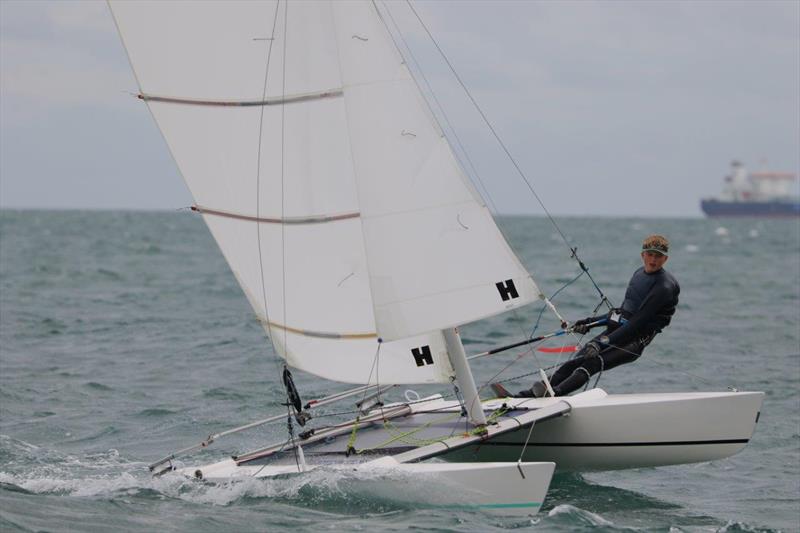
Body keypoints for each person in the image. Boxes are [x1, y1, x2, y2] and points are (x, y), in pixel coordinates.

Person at [493, 234, 680, 398]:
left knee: (590, 363)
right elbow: (622, 313)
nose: (653, 260)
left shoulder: (664, 287)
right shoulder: (639, 274)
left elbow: (637, 322)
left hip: (634, 341)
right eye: (650, 255)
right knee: (575, 360)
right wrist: (589, 323)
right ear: (642, 255)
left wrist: (601, 342)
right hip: (618, 332)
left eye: (658, 256)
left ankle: (553, 395)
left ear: (665, 259)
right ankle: (521, 397)